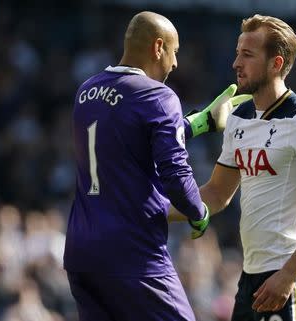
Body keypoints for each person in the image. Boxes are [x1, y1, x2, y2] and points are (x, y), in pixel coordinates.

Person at [63, 11, 240, 321]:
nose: (175, 64)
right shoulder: (158, 95)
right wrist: (198, 212)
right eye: (174, 52)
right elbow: (175, 172)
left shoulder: (86, 91)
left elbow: (127, 139)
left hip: (81, 252)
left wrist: (197, 124)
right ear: (159, 47)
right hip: (132, 252)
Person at [170, 14, 296, 321]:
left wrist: (288, 275)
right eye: (237, 53)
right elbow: (216, 194)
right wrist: (151, 211)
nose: (236, 63)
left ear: (276, 64)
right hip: (252, 274)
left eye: (247, 55)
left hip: (290, 277)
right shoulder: (239, 117)